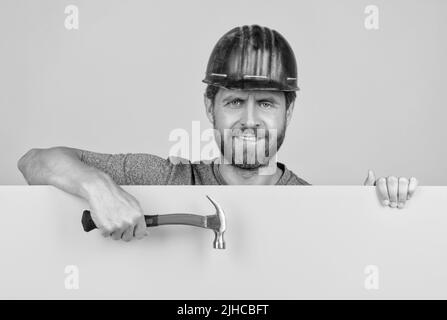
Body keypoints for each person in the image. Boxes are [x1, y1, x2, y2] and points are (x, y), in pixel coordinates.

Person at [17, 25, 418, 242]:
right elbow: (33, 161)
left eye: (265, 103)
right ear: (209, 107)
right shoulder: (168, 178)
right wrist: (99, 188)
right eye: (233, 102)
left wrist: (380, 218)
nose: (249, 120)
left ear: (289, 111)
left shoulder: (312, 207)